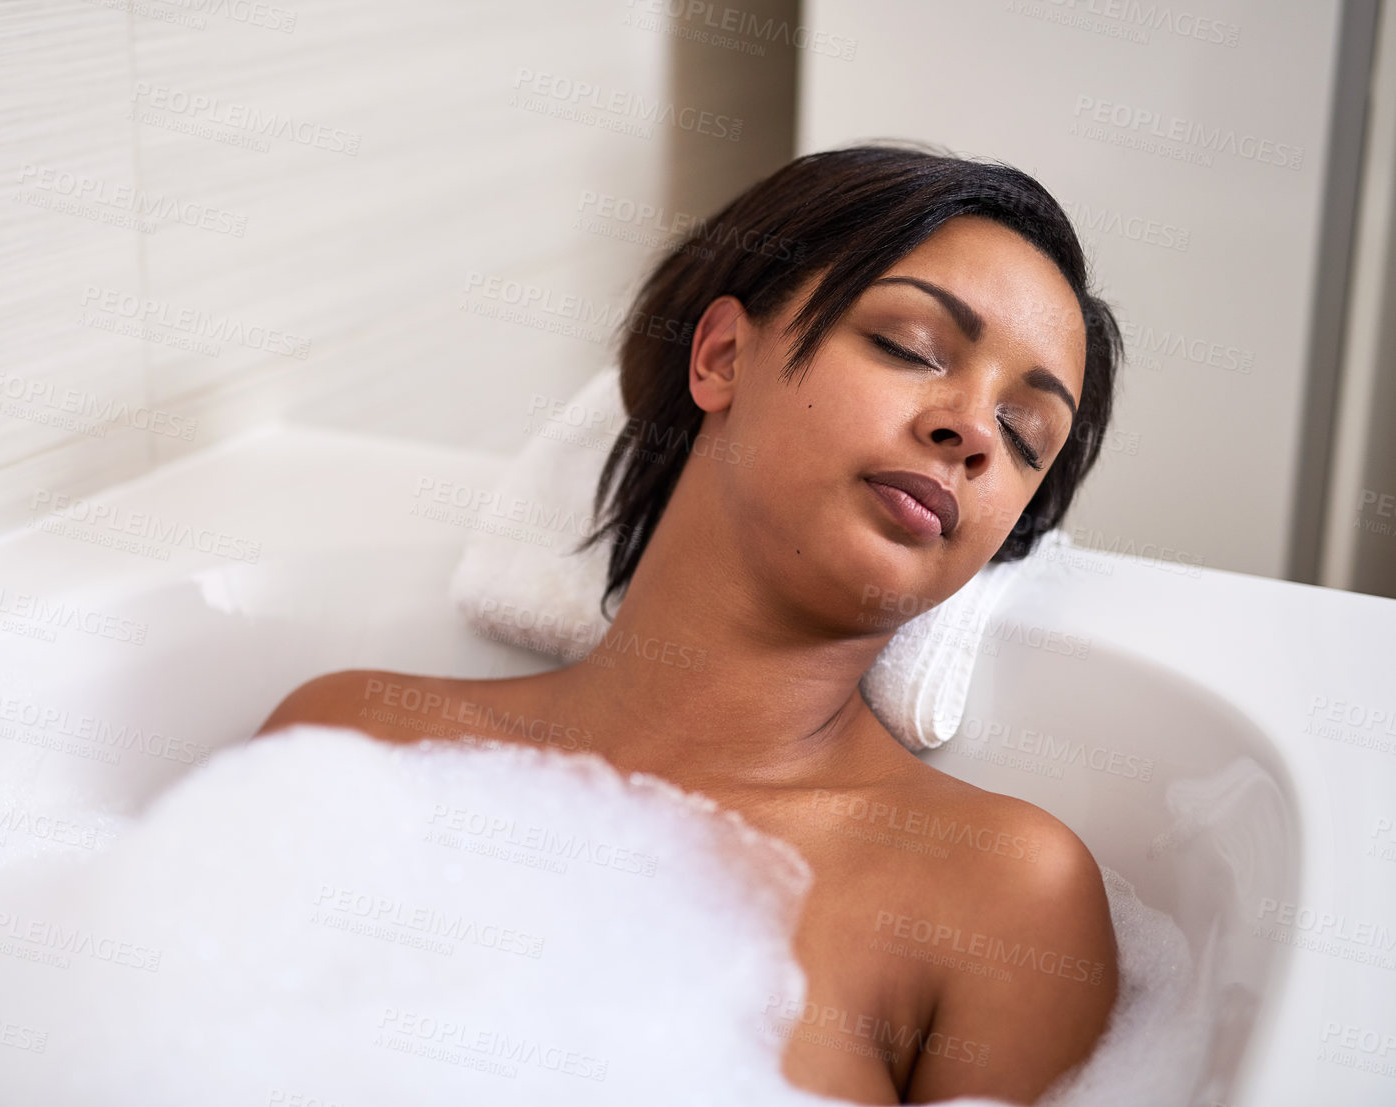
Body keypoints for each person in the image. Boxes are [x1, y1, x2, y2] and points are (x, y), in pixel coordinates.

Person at [257, 146, 1124, 1105]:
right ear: (721, 356)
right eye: (911, 348)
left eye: (1023, 436)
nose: (969, 429)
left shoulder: (1000, 894)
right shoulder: (354, 742)